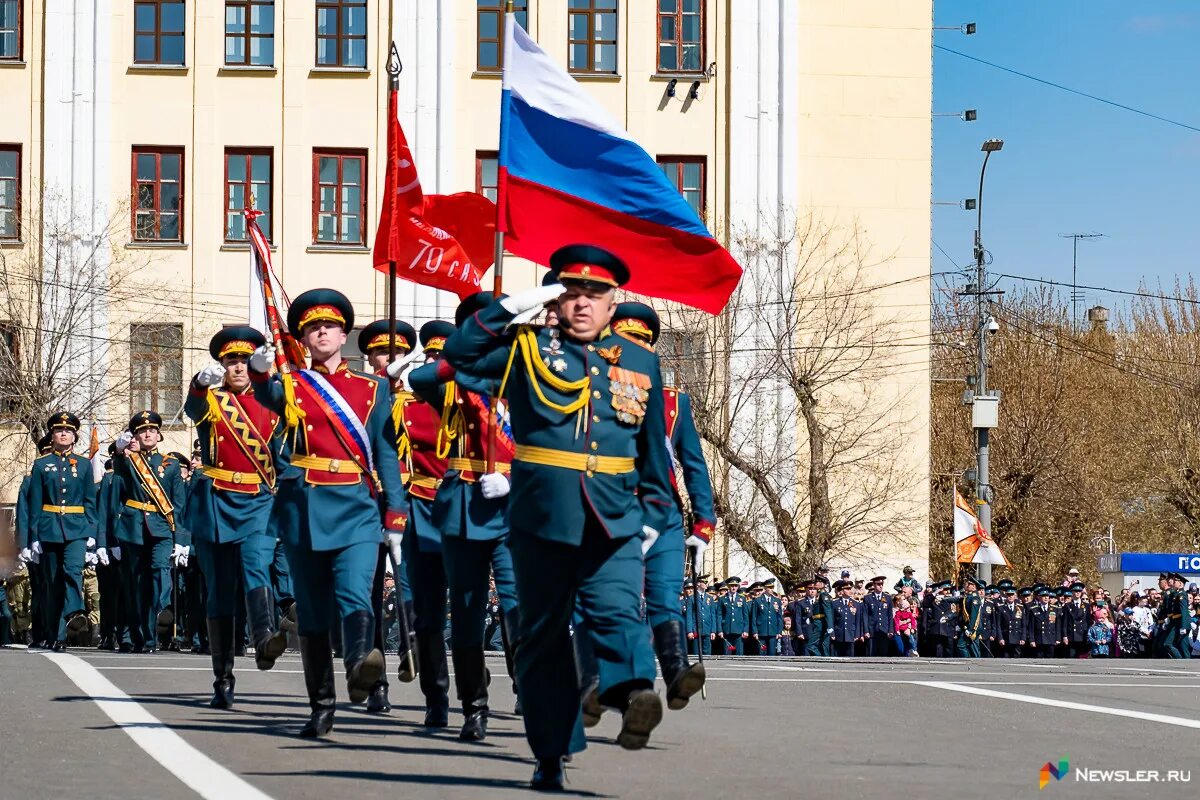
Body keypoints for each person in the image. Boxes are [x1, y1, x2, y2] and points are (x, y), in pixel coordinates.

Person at [443, 245, 676, 789]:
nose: (582, 304)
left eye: (595, 294)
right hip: (541, 517)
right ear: (556, 297)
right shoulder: (525, 350)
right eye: (571, 292)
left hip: (615, 515)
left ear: (614, 301)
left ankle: (633, 692)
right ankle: (551, 753)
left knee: (618, 609)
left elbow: (651, 451)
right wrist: (509, 309)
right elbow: (460, 355)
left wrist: (657, 515)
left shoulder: (640, 362)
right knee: (544, 638)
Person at [249, 288, 407, 738]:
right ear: (303, 338)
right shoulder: (294, 385)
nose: (322, 331)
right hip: (305, 508)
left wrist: (395, 513)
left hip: (356, 505)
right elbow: (266, 396)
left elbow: (386, 453)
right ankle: (321, 705)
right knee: (315, 614)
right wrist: (260, 369)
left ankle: (361, 664)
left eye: (331, 326)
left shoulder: (373, 389)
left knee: (358, 592)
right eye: (314, 327)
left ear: (344, 336)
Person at [409, 292, 524, 741]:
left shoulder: (526, 377)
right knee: (469, 612)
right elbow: (420, 378)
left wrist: (516, 480)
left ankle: (532, 694)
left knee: (519, 608)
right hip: (465, 504)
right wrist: (462, 358)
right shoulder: (453, 382)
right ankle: (474, 705)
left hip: (516, 507)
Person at [185, 326, 290, 708]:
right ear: (222, 366)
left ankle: (263, 639)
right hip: (216, 502)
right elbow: (193, 409)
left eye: (245, 361)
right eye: (232, 361)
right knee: (220, 590)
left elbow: (285, 456)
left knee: (256, 566)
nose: (239, 367)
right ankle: (222, 678)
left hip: (260, 500)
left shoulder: (273, 403)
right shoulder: (213, 401)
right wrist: (199, 384)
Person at [609, 301, 708, 701]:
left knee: (666, 596)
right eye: (625, 343)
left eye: (641, 344)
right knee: (625, 601)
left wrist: (703, 524)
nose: (634, 352)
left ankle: (677, 673)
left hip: (664, 511)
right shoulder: (596, 390)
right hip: (616, 509)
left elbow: (694, 464)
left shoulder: (673, 402)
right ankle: (633, 685)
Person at [388, 319, 454, 727]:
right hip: (425, 508)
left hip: (473, 508)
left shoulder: (479, 401)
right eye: (430, 356)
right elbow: (389, 455)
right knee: (427, 610)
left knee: (475, 607)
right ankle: (437, 696)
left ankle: (502, 682)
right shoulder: (405, 406)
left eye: (443, 357)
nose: (436, 363)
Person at [355, 317, 420, 714]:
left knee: (413, 588)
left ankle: (415, 654)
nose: (387, 359)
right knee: (370, 590)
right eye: (380, 352)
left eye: (395, 353)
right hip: (365, 501)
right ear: (369, 357)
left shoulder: (419, 398)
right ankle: (375, 678)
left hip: (411, 503)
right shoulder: (356, 398)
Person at [111, 411, 187, 653]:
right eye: (143, 431)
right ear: (136, 436)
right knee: (135, 584)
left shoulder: (171, 465)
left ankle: (161, 611)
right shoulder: (129, 461)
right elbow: (120, 467)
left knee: (160, 573)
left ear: (159, 435)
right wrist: (121, 448)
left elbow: (179, 503)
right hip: (133, 528)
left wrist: (182, 539)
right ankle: (141, 636)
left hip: (162, 529)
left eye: (152, 430)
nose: (148, 434)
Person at [23, 413, 98, 651]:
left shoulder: (84, 464)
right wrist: (32, 538)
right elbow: (35, 503)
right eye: (58, 430)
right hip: (49, 528)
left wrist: (92, 531)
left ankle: (74, 611)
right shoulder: (41, 465)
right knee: (53, 583)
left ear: (74, 436)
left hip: (77, 528)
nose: (63, 434)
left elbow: (89, 501)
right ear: (52, 436)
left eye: (68, 431)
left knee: (73, 571)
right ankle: (57, 636)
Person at [1059, 580, 1092, 659]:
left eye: (1079, 591)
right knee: (1071, 656)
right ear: (1072, 592)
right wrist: (1065, 636)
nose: (1077, 593)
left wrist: (1088, 635)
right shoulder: (1067, 606)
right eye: (1075, 591)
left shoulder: (1086, 606)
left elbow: (1088, 621)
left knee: (1082, 657)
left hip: (1082, 635)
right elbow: (1065, 622)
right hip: (1072, 636)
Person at [829, 580, 862, 656]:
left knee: (850, 657)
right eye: (847, 589)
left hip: (851, 634)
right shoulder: (835, 603)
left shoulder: (856, 604)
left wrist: (857, 634)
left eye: (850, 589)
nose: (850, 591)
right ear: (842, 591)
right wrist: (832, 633)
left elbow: (857, 621)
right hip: (838, 634)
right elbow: (832, 620)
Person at [862, 576, 893, 657]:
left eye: (882, 584)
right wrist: (866, 631)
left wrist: (890, 630)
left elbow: (890, 615)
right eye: (878, 584)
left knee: (883, 653)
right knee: (871, 653)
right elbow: (865, 615)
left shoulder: (888, 598)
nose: (881, 586)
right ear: (874, 585)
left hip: (884, 630)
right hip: (872, 630)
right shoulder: (868, 598)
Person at [1025, 587, 1059, 658]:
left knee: (1050, 660)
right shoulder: (1034, 609)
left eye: (1047, 596)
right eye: (1043, 596)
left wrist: (1057, 638)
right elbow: (1031, 627)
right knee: (1039, 660)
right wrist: (1031, 640)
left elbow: (1057, 626)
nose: (1046, 598)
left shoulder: (1055, 609)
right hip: (1039, 639)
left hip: (1050, 638)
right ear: (1039, 597)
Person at [995, 585, 1025, 658]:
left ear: (1015, 596)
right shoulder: (1001, 607)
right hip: (1006, 638)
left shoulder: (1020, 607)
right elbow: (998, 625)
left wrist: (1023, 638)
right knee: (1005, 658)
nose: (1010, 597)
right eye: (1009, 595)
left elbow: (1023, 625)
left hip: (1017, 637)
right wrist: (1000, 638)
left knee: (1017, 658)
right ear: (1006, 596)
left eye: (1012, 595)